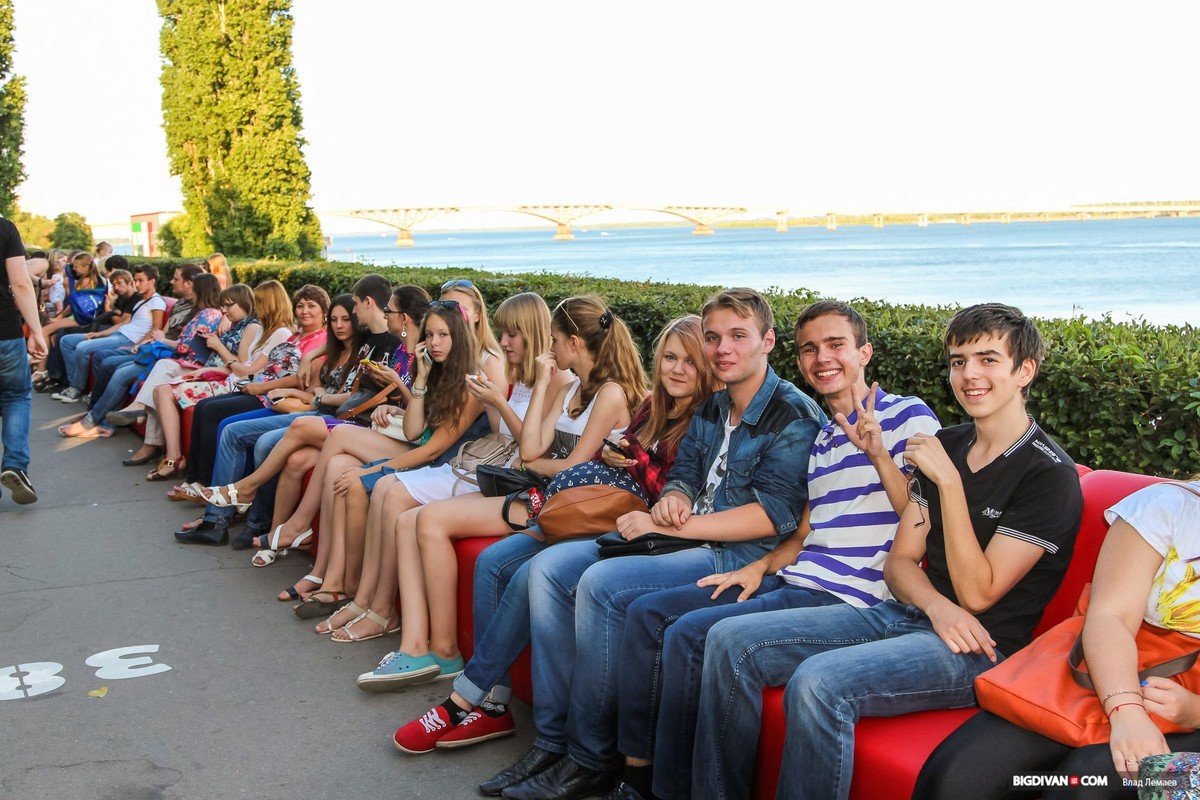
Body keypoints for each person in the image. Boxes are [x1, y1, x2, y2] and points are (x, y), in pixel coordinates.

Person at [691, 303, 1084, 800]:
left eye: (988, 360)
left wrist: (949, 485)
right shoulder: (949, 443)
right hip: (909, 613)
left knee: (818, 683)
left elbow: (978, 594)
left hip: (980, 648)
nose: (969, 375)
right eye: (959, 361)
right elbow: (900, 563)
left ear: (1024, 371)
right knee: (729, 640)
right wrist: (935, 605)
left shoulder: (1047, 474)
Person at [491, 288, 828, 800]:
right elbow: (685, 473)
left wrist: (670, 526)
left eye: (738, 336)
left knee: (603, 584)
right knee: (551, 571)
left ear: (768, 342)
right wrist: (674, 498)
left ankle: (590, 756)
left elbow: (772, 515)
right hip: (684, 539)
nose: (722, 349)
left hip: (737, 554)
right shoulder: (716, 405)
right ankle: (556, 741)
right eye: (713, 337)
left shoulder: (792, 414)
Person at [604, 301, 942, 800]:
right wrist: (760, 567)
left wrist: (878, 456)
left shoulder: (908, 415)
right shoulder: (824, 438)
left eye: (836, 345)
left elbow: (925, 519)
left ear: (865, 353)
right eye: (810, 349)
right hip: (800, 580)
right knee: (684, 631)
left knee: (724, 641)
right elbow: (805, 534)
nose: (822, 358)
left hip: (864, 600)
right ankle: (659, 787)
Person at [388, 314, 712, 756]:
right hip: (590, 508)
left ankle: (470, 703)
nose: (677, 369)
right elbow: (611, 455)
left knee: (532, 574)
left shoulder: (703, 419)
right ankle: (493, 704)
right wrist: (617, 456)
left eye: (690, 361)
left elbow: (674, 489)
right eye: (670, 358)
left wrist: (626, 464)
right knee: (492, 562)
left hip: (631, 527)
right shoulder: (652, 405)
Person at [914, 478, 1200, 800]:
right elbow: (1112, 617)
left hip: (1190, 706)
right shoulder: (1169, 506)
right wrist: (1127, 710)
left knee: (1087, 785)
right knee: (957, 778)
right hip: (1113, 664)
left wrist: (1196, 711)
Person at [319, 292, 570, 646]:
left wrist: (496, 402)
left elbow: (527, 447)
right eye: (430, 335)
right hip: (483, 464)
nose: (504, 341)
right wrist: (420, 379)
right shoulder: (511, 372)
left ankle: (383, 612)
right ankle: (364, 601)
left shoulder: (542, 377)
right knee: (379, 485)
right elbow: (420, 433)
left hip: (492, 473)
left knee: (389, 492)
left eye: (512, 334)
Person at [179, 276, 418, 547]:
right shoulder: (368, 336)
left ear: (368, 303)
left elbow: (371, 396)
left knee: (269, 440)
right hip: (330, 411)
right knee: (231, 427)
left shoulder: (397, 345)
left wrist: (315, 395)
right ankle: (228, 520)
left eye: (351, 309)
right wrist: (309, 357)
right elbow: (337, 354)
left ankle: (257, 516)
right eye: (335, 319)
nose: (346, 319)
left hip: (349, 418)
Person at [180, 284, 329, 486]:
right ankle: (193, 479)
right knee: (203, 406)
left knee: (215, 414)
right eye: (300, 306)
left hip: (275, 396)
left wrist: (260, 387)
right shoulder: (295, 334)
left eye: (311, 306)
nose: (304, 311)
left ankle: (207, 484)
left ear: (324, 312)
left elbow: (300, 378)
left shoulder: (320, 340)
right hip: (259, 388)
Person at [127, 282, 263, 479]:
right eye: (223, 306)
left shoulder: (251, 326)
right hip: (210, 372)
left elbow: (240, 367)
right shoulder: (234, 323)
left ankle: (173, 458)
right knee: (160, 389)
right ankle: (172, 456)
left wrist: (217, 347)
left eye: (228, 305)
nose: (224, 310)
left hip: (224, 379)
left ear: (244, 303)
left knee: (163, 390)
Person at [58, 265, 208, 441]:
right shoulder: (180, 303)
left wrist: (153, 342)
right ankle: (101, 420)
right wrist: (148, 343)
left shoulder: (202, 311)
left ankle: (91, 421)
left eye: (176, 279)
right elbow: (163, 331)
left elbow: (182, 344)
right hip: (156, 349)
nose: (171, 282)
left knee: (119, 372)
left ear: (189, 283)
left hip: (170, 355)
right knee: (107, 362)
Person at [54, 264, 166, 404]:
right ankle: (72, 383)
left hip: (129, 339)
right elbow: (124, 323)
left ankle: (76, 388)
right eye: (135, 280)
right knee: (66, 341)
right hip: (119, 334)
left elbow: (156, 328)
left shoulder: (156, 301)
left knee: (83, 347)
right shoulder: (141, 301)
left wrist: (138, 344)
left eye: (140, 280)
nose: (137, 284)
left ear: (152, 281)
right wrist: (99, 334)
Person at [0, 215, 45, 504]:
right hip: (5, 332)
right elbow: (21, 283)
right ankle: (15, 465)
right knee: (16, 397)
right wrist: (36, 331)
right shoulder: (4, 228)